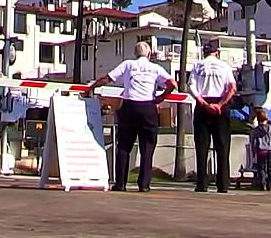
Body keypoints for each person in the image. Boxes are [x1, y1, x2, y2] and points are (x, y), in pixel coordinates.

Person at [85, 40, 177, 192]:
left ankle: (121, 183)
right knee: (147, 148)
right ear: (149, 53)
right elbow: (173, 83)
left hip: (130, 106)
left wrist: (92, 87)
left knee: (124, 146)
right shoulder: (155, 68)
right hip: (148, 107)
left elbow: (107, 78)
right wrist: (161, 97)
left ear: (135, 53)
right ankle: (144, 184)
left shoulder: (128, 64)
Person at [189, 40, 236, 193]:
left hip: (203, 104)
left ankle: (202, 183)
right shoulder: (224, 66)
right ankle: (223, 184)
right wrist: (221, 104)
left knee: (202, 146)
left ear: (204, 52)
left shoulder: (197, 65)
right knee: (222, 146)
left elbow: (191, 87)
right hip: (220, 105)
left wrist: (203, 103)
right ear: (217, 52)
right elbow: (232, 88)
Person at [249, 108, 271, 190]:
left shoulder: (255, 130)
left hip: (261, 149)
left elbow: (253, 141)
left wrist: (253, 151)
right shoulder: (270, 129)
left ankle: (263, 184)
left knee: (262, 168)